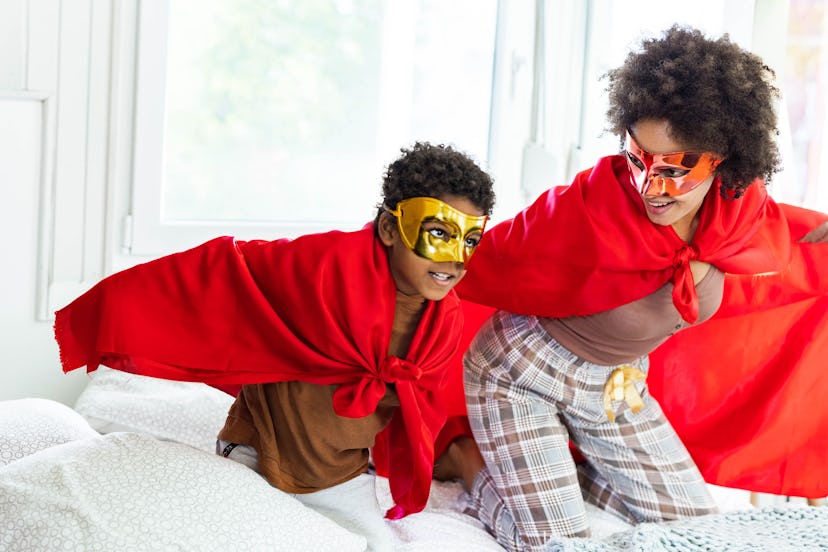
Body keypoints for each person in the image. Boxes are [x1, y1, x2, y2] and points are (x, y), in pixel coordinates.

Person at [432, 26, 828, 551]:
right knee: (558, 543)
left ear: (724, 162)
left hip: (618, 388)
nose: (651, 187)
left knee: (701, 530)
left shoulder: (738, 210)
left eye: (677, 168)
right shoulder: (589, 206)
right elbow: (490, 254)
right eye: (638, 159)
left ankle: (566, 469)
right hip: (520, 375)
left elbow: (786, 226)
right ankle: (467, 459)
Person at [54, 141, 496, 551]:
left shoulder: (445, 320)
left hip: (341, 476)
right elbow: (229, 272)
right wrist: (104, 315)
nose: (454, 257)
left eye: (471, 240)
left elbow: (417, 414)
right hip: (255, 457)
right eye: (438, 233)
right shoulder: (321, 271)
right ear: (388, 227)